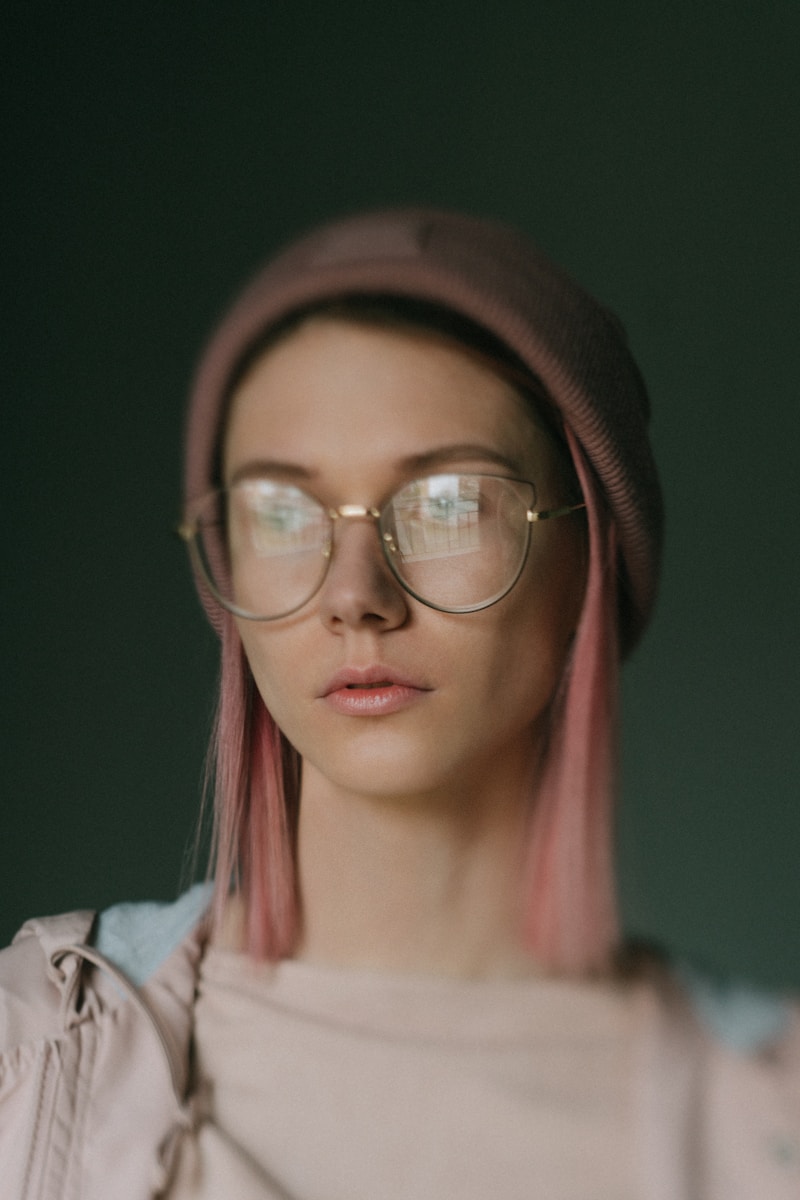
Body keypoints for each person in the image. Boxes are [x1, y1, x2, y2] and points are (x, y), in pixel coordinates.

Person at [1, 208, 797, 1199]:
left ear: (586, 563)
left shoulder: (766, 1127)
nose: (353, 596)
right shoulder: (29, 1057)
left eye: (449, 502)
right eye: (280, 512)